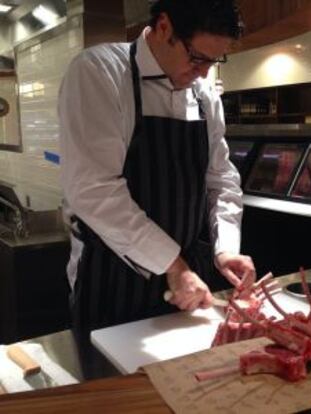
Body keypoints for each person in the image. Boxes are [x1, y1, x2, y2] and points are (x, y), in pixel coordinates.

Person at [58, 0, 256, 334]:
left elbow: (221, 180)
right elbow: (94, 189)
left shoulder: (204, 93)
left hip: (188, 282)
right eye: (197, 58)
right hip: (111, 278)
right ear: (164, 27)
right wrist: (171, 263)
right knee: (114, 383)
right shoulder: (99, 72)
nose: (204, 73)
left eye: (214, 61)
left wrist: (226, 248)